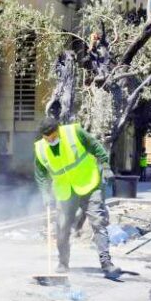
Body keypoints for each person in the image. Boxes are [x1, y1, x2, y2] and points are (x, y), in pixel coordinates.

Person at [34, 117, 121, 278]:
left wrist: (106, 166)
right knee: (62, 227)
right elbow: (40, 175)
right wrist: (45, 193)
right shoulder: (40, 148)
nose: (51, 140)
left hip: (89, 184)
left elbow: (95, 146)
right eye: (47, 138)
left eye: (53, 136)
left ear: (58, 129)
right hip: (65, 192)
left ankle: (106, 263)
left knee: (98, 221)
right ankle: (63, 262)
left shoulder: (74, 132)